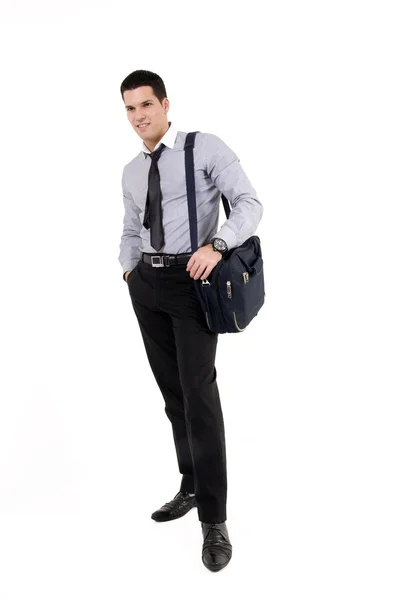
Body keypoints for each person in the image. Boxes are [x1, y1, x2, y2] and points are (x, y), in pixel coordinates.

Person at [118, 69, 263, 572]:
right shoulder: (132, 171)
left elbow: (249, 203)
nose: (139, 117)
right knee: (174, 396)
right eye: (130, 109)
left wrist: (218, 244)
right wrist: (129, 270)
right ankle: (192, 485)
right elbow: (129, 226)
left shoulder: (204, 148)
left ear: (164, 103)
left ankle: (215, 521)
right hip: (148, 286)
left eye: (146, 105)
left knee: (199, 396)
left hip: (193, 281)